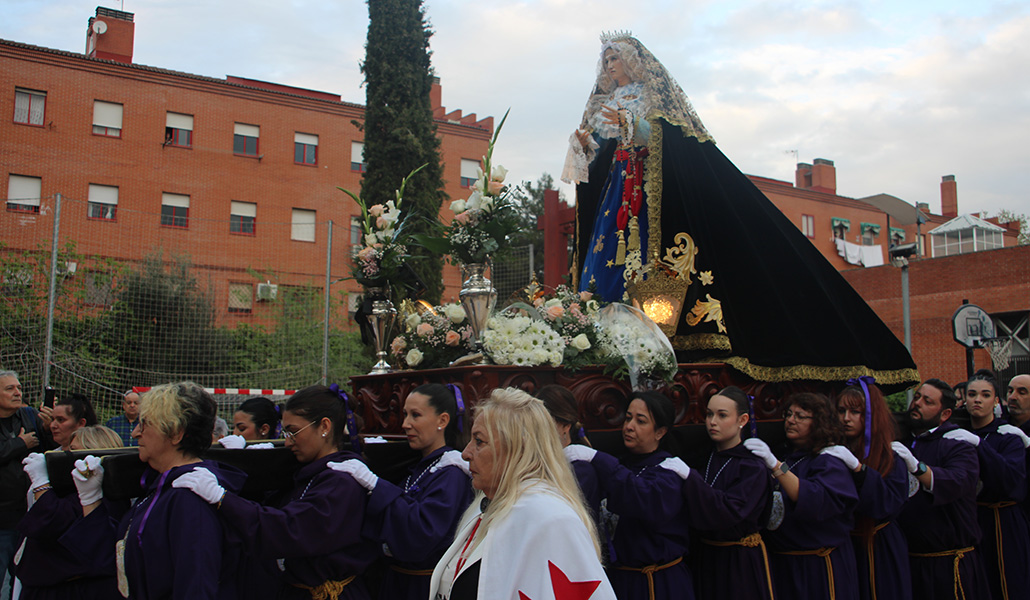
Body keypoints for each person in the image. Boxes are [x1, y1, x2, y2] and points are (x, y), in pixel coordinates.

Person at [561, 33, 918, 387]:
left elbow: (671, 142)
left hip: (647, 194)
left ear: (633, 61)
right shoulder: (604, 103)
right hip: (617, 194)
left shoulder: (653, 97)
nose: (610, 66)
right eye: (606, 61)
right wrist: (585, 146)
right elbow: (601, 156)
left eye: (615, 58)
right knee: (606, 255)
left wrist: (632, 125)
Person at [173, 384, 378, 599]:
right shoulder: (309, 472)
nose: (288, 442)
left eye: (294, 432)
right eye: (285, 432)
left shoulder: (341, 481)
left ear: (324, 427)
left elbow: (288, 530)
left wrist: (222, 498)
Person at [428, 387, 615, 600]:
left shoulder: (550, 518)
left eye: (479, 441)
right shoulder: (488, 504)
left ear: (517, 450)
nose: (465, 453)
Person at [73, 381, 246, 599]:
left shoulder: (190, 497)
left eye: (145, 424)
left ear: (175, 433)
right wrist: (90, 499)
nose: (135, 433)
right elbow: (121, 561)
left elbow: (196, 588)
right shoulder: (164, 485)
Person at [330, 383, 473, 600]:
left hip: (422, 587)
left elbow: (421, 533)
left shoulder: (451, 473)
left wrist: (377, 486)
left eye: (416, 415)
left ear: (442, 421)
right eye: (405, 414)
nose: (405, 424)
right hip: (396, 583)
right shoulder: (420, 466)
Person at [564, 391, 692, 600]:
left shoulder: (670, 471)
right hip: (623, 581)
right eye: (628, 418)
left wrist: (597, 458)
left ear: (660, 432)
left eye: (641, 421)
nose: (629, 426)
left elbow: (643, 498)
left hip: (658, 584)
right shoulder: (624, 464)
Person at [745, 392, 860, 600]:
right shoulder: (789, 456)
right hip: (785, 564)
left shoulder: (829, 460)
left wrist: (775, 465)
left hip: (818, 567)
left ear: (818, 422)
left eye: (800, 416)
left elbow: (815, 498)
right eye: (789, 414)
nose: (791, 420)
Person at [673, 386, 774, 600]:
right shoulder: (705, 456)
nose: (712, 422)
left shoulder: (752, 467)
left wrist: (691, 479)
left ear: (742, 420)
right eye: (709, 414)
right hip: (707, 557)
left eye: (722, 415)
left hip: (739, 561)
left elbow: (729, 511)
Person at [896, 378, 991, 599]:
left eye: (927, 401)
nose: (917, 403)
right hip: (910, 560)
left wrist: (916, 467)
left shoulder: (957, 444)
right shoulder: (903, 440)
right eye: (917, 397)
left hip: (949, 563)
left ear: (945, 414)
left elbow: (957, 481)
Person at [15, 425, 126, 599]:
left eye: (72, 451)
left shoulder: (105, 495)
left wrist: (41, 484)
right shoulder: (71, 490)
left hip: (74, 589)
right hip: (47, 586)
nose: (65, 456)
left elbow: (50, 523)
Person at [835, 379, 913, 600]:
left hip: (880, 547)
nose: (846, 418)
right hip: (845, 547)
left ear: (870, 415)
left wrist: (861, 472)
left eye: (855, 412)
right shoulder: (832, 453)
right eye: (841, 411)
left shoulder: (890, 457)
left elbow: (888, 504)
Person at [962, 372, 1030, 600]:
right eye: (972, 394)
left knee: (1007, 583)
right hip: (973, 518)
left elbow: (1010, 481)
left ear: (995, 401)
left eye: (985, 395)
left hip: (1003, 520)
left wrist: (980, 446)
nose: (977, 400)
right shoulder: (960, 434)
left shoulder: (1008, 436)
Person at [0, 370, 42, 596]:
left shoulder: (29, 416)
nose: (18, 393)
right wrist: (19, 443)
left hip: (28, 516)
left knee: (23, 582)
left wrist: (48, 427)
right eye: (10, 389)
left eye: (19, 388)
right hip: (2, 520)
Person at [537, 385, 601, 520]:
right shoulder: (537, 458)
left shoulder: (581, 470)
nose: (538, 430)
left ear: (566, 426)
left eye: (546, 423)